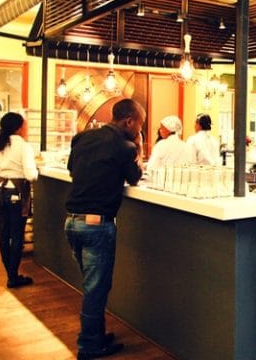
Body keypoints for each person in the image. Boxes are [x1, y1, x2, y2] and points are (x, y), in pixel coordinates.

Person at [65, 98, 145, 359]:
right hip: (97, 226)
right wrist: (138, 148)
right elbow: (134, 177)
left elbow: (72, 169)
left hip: (72, 222)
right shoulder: (124, 147)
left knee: (93, 287)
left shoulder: (82, 138)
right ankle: (89, 345)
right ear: (129, 121)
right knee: (96, 290)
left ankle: (96, 335)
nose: (140, 130)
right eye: (140, 124)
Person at [0, 112, 38, 289]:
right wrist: (36, 171)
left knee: (4, 233)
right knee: (17, 235)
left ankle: (10, 273)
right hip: (17, 195)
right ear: (19, 128)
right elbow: (31, 175)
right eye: (24, 125)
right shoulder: (24, 147)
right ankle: (13, 277)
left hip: (0, 194)